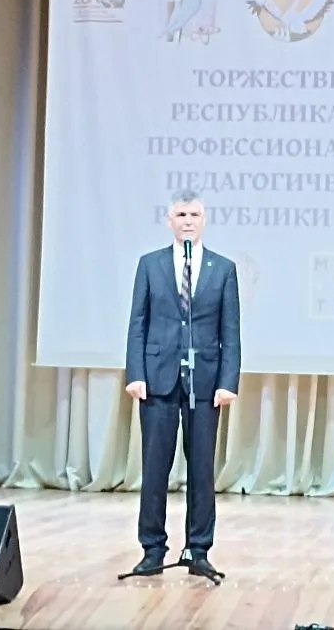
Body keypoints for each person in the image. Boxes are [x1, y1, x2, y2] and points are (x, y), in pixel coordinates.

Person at [124, 189, 240, 580]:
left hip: (205, 383)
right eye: (181, 215)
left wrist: (228, 381)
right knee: (155, 468)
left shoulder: (223, 269)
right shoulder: (150, 264)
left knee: (202, 471)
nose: (187, 221)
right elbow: (137, 324)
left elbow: (231, 331)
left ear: (203, 220)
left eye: (194, 215)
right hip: (157, 379)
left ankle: (198, 548)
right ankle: (152, 549)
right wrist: (136, 374)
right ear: (169, 221)